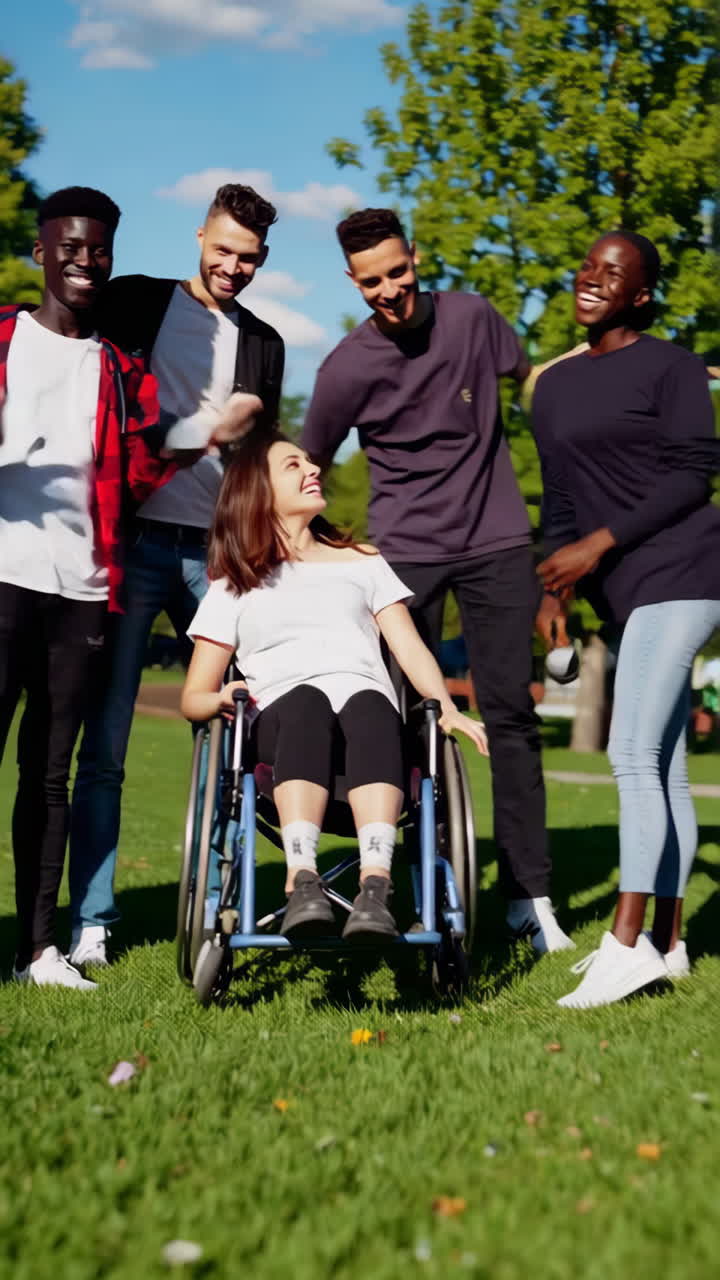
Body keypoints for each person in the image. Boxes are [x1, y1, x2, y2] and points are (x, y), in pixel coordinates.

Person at [301, 208, 573, 953]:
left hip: (496, 541)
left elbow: (537, 385)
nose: (389, 289)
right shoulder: (345, 368)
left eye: (398, 271)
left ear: (415, 257)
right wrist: (324, 561)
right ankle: (419, 886)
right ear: (352, 282)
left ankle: (530, 896)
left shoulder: (475, 319)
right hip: (405, 559)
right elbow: (306, 469)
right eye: (371, 281)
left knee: (511, 720)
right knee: (407, 725)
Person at [68, 184, 284, 969]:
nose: (234, 268)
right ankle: (92, 920)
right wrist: (202, 430)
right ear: (199, 235)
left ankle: (227, 901)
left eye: (250, 259)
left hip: (220, 557)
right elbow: (104, 404)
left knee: (238, 727)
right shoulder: (133, 304)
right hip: (134, 545)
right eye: (223, 250)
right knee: (108, 744)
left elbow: (259, 456)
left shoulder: (264, 341)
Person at [181, 432, 488, 938]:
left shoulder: (362, 561)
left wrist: (445, 708)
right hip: (283, 726)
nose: (312, 469)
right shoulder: (234, 580)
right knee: (307, 701)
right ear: (256, 490)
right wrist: (215, 699)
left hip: (369, 728)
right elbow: (195, 694)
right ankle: (302, 879)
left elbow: (409, 648)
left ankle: (375, 886)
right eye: (292, 465)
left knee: (369, 702)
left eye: (310, 461)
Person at [0, 186, 186, 987]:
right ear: (41, 252)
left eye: (98, 249)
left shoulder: (118, 366)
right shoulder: (4, 337)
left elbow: (140, 471)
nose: (84, 260)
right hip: (2, 578)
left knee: (49, 776)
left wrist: (203, 437)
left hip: (81, 590)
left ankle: (39, 949)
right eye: (68, 246)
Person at [533, 229, 720, 1009]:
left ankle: (623, 944)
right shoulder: (553, 386)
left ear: (639, 294)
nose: (592, 279)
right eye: (587, 266)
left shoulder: (672, 367)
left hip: (685, 570)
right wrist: (554, 589)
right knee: (666, 765)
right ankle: (669, 945)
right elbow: (562, 497)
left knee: (632, 753)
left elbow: (695, 476)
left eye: (612, 273)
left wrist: (595, 548)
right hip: (622, 590)